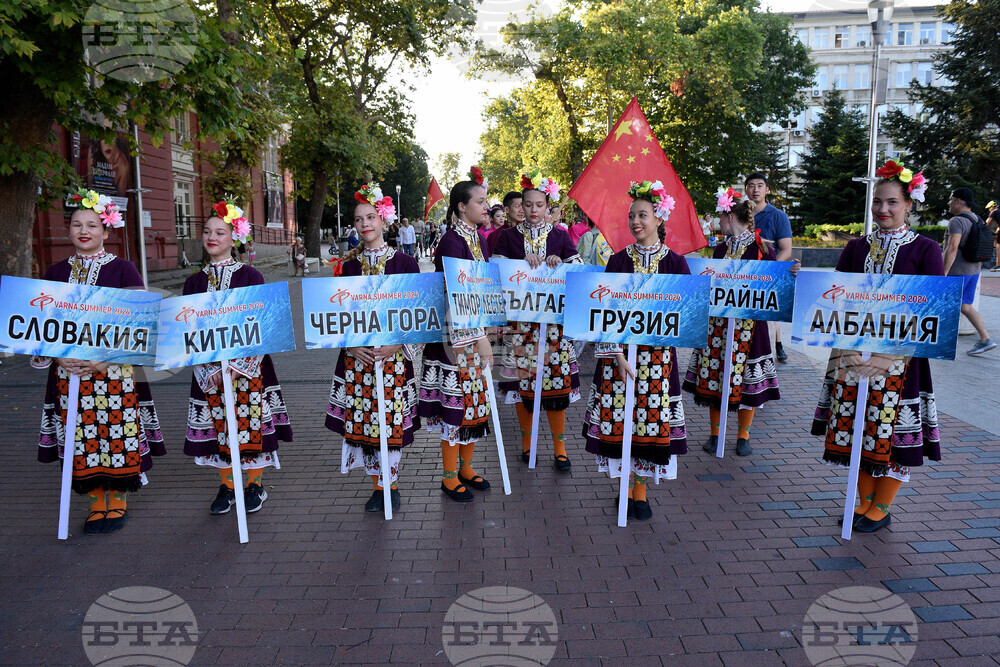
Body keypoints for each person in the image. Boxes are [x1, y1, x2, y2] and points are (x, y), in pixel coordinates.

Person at [812, 160, 941, 534]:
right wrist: (845, 347)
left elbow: (935, 311)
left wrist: (889, 354)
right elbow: (835, 299)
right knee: (858, 431)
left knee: (892, 436)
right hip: (852, 354)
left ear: (908, 205)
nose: (883, 210)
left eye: (892, 203)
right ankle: (863, 503)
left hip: (902, 361)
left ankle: (881, 507)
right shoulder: (856, 248)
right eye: (877, 203)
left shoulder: (925, 250)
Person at [34, 189, 165, 534]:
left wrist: (100, 362)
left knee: (116, 433)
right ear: (69, 230)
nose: (84, 231)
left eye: (92, 224)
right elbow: (42, 327)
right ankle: (95, 503)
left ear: (106, 230)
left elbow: (139, 325)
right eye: (77, 224)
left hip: (113, 373)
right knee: (81, 435)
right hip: (67, 373)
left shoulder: (123, 270)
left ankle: (118, 501)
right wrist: (60, 359)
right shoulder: (55, 272)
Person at [581, 179, 689, 521]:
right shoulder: (617, 262)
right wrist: (619, 355)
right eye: (631, 216)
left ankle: (640, 491)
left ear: (660, 219)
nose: (635, 222)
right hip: (618, 361)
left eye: (643, 215)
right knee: (620, 423)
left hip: (659, 363)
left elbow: (686, 314)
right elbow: (604, 314)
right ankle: (622, 489)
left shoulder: (675, 263)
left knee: (649, 427)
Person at [183, 200, 293, 516]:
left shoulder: (250, 276)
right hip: (208, 373)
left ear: (234, 238)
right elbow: (187, 329)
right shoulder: (194, 282)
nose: (212, 237)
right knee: (219, 428)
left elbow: (262, 327)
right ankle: (228, 485)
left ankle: (255, 484)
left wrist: (234, 367)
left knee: (250, 425)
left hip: (248, 369)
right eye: (207, 231)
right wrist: (208, 369)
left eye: (220, 232)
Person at [327, 184, 420, 512]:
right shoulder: (346, 267)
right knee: (364, 423)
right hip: (358, 361)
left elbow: (418, 313)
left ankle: (391, 484)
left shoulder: (406, 264)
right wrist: (350, 345)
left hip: (392, 360)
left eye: (371, 217)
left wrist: (398, 343)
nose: (364, 224)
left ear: (384, 220)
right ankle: (376, 486)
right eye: (358, 219)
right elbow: (333, 316)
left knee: (390, 423)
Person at [683, 189, 784, 457]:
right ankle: (715, 434)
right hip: (718, 324)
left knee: (747, 382)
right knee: (716, 377)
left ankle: (743, 435)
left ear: (729, 216)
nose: (717, 222)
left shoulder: (761, 247)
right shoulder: (720, 248)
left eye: (719, 217)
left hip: (749, 326)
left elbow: (773, 284)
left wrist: (789, 272)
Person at [492, 169, 581, 471]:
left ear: (548, 206)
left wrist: (558, 263)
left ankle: (560, 448)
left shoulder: (560, 236)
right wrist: (521, 264)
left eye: (539, 205)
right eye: (527, 205)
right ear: (520, 206)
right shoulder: (507, 237)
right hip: (519, 328)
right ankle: (528, 444)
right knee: (522, 386)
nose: (532, 211)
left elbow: (577, 269)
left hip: (553, 327)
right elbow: (497, 273)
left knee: (556, 388)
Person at [418, 175, 494, 503]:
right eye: (480, 201)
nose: (486, 206)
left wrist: (490, 327)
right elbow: (455, 296)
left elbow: (482, 288)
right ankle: (449, 477)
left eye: (486, 201)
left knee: (473, 405)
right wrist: (479, 337)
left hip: (475, 335)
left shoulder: (480, 238)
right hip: (455, 340)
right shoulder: (451, 241)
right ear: (462, 207)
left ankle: (466, 467)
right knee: (455, 407)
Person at [745, 172, 796, 363]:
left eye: (760, 185)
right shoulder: (739, 214)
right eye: (751, 185)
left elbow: (786, 250)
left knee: (768, 317)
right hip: (742, 278)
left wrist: (768, 271)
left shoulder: (778, 216)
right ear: (746, 190)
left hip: (767, 275)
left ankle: (773, 349)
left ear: (767, 189)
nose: (755, 189)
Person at [942, 187, 995, 355]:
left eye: (951, 199)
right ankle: (986, 339)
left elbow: (952, 248)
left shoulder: (956, 221)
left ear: (958, 201)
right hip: (974, 271)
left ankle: (940, 343)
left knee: (943, 305)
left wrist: (942, 274)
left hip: (957, 272)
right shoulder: (977, 218)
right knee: (965, 306)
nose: (949, 203)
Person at [488, 191, 524, 257]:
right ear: (507, 209)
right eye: (517, 206)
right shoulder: (495, 235)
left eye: (523, 206)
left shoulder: (530, 231)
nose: (521, 210)